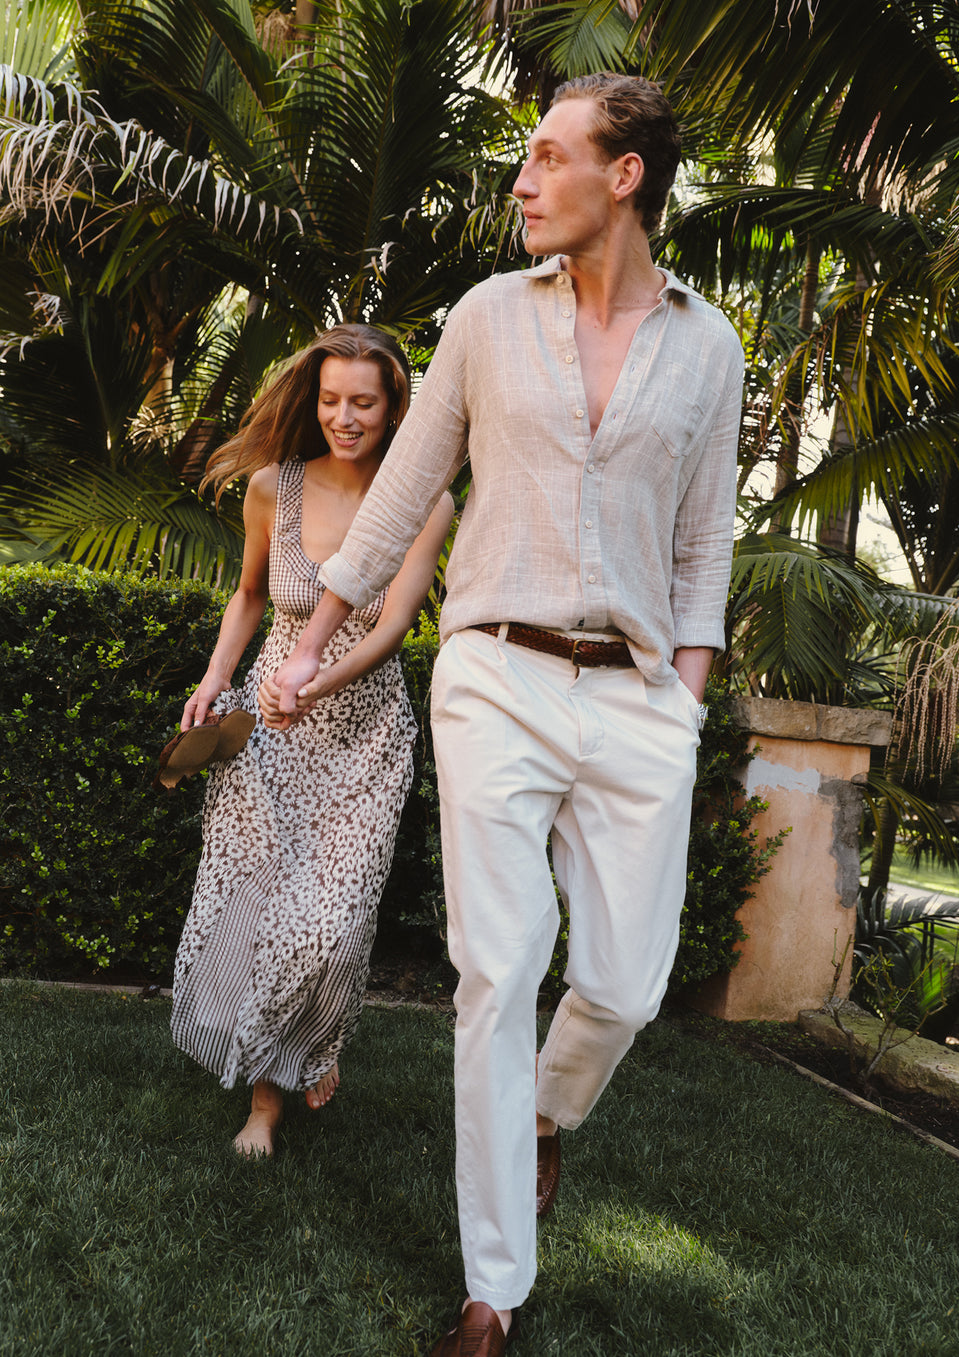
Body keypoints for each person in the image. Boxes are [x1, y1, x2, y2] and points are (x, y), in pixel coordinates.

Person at [261, 73, 744, 1354]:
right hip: (495, 675)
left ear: (623, 174)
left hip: (640, 696)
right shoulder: (485, 318)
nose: (522, 182)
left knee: (628, 983)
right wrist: (307, 649)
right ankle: (494, 1292)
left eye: (546, 157)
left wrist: (685, 710)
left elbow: (707, 548)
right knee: (498, 968)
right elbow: (399, 493)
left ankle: (539, 1118)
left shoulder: (712, 346)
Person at [169, 323, 454, 1158]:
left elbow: (395, 625)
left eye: (363, 401)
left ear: (394, 406)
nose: (345, 416)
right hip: (270, 739)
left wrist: (313, 681)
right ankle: (266, 1100)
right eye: (331, 400)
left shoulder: (426, 501)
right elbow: (250, 595)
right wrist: (216, 679)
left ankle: (313, 1038)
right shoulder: (272, 487)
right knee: (260, 912)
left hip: (363, 741)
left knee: (329, 928)